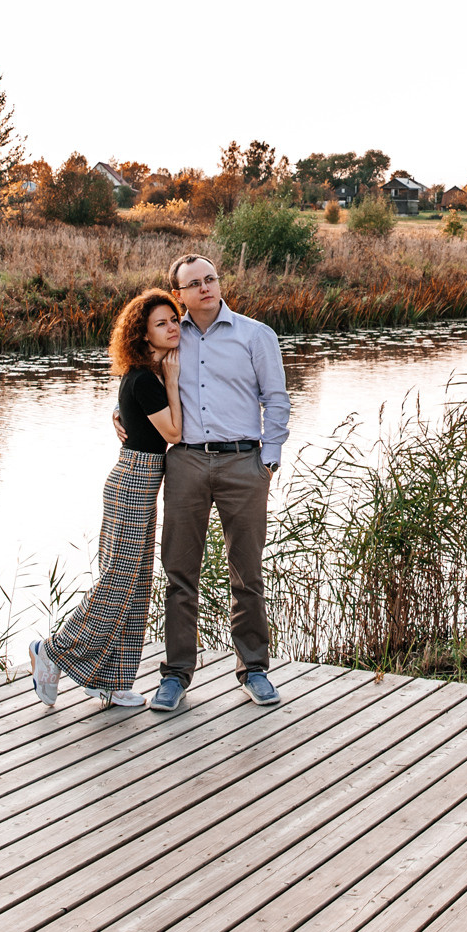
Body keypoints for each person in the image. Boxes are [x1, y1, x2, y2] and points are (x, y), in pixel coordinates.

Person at [30, 290, 183, 710]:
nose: (172, 327)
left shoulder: (146, 374)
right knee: (118, 580)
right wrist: (171, 381)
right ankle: (52, 650)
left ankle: (110, 681)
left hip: (142, 482)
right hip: (133, 481)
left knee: (137, 584)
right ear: (143, 334)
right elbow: (173, 433)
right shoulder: (145, 379)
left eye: (174, 319)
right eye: (161, 323)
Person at [150, 252, 289, 711]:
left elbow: (276, 399)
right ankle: (175, 675)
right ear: (179, 294)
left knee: (247, 573)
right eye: (194, 283)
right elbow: (141, 382)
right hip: (186, 464)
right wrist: (119, 411)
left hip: (243, 464)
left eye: (210, 278)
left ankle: (254, 669)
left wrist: (268, 460)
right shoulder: (169, 337)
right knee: (179, 574)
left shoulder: (255, 334)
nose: (206, 287)